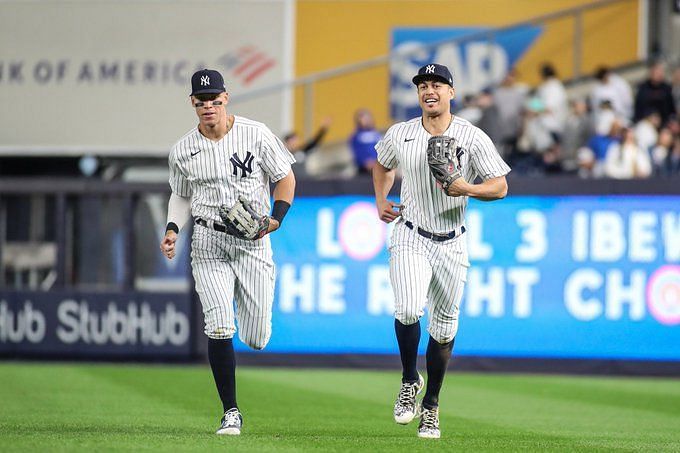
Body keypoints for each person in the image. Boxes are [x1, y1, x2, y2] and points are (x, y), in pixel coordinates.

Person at [372, 63, 509, 439]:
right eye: (422, 85)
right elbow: (382, 163)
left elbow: (499, 186)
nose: (428, 90)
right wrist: (381, 198)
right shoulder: (400, 133)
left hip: (452, 239)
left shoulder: (472, 135)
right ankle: (408, 379)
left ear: (451, 92)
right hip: (410, 232)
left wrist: (467, 188)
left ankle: (431, 406)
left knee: (445, 328)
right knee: (407, 308)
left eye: (436, 84)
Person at [159, 69, 295, 436]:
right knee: (219, 325)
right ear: (193, 103)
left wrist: (276, 219)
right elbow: (182, 194)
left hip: (252, 241)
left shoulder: (256, 133)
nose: (208, 107)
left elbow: (284, 177)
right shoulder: (183, 149)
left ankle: (240, 306)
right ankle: (230, 411)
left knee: (256, 337)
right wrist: (173, 228)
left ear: (226, 99)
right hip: (207, 241)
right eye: (201, 102)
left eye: (214, 101)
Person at [349, 108, 382, 174]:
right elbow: (357, 152)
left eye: (368, 118)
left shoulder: (377, 135)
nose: (367, 120)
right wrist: (365, 162)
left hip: (378, 168)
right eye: (364, 118)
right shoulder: (356, 136)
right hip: (363, 170)